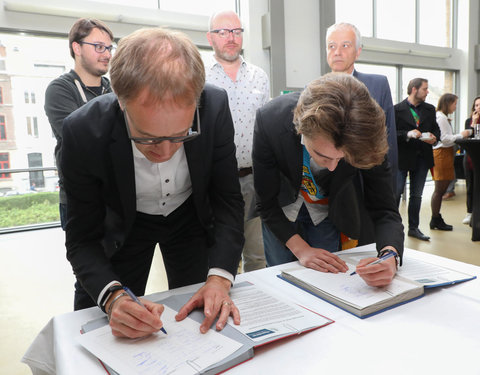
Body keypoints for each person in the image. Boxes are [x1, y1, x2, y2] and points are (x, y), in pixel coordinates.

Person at [61, 27, 244, 338]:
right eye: (146, 138)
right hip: (121, 225)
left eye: (180, 135)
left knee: (198, 317)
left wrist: (219, 277)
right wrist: (113, 297)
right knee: (100, 325)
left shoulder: (214, 107)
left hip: (190, 219)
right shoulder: (82, 131)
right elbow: (81, 238)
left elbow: (227, 200)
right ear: (120, 100)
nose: (164, 152)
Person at [253, 73, 404, 287]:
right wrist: (301, 250)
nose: (332, 167)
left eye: (342, 159)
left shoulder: (365, 133)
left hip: (327, 211)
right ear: (302, 131)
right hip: (281, 208)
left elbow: (385, 210)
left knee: (328, 279)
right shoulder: (271, 120)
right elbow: (265, 203)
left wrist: (390, 256)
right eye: (323, 156)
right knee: (280, 277)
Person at [205, 10, 269, 272]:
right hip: (214, 182)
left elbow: (266, 129)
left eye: (236, 31)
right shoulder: (199, 76)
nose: (230, 38)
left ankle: (258, 308)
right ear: (211, 38)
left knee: (258, 254)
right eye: (223, 32)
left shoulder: (259, 76)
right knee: (221, 256)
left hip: (254, 179)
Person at [44, 18, 114, 229]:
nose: (108, 54)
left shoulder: (115, 90)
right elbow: (78, 140)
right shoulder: (60, 89)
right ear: (77, 47)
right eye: (99, 47)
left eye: (110, 48)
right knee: (88, 260)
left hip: (116, 198)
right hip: (79, 200)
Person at [325, 22, 398, 184]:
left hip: (368, 183)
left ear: (358, 52)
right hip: (326, 185)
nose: (337, 52)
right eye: (331, 46)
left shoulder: (377, 85)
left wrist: (391, 190)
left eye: (345, 45)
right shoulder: (313, 91)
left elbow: (389, 138)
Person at [395, 78, 440, 241]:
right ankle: (393, 227)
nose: (427, 92)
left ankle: (413, 228)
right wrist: (407, 134)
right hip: (402, 158)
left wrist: (434, 138)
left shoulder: (429, 109)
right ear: (414, 89)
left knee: (416, 195)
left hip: (422, 158)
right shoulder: (396, 109)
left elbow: (436, 129)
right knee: (396, 193)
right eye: (425, 89)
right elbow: (391, 134)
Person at [430, 93, 471, 231]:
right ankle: (435, 219)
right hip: (442, 154)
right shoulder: (441, 117)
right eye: (454, 104)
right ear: (448, 103)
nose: (455, 107)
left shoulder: (442, 117)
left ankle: (436, 218)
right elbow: (445, 139)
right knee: (439, 189)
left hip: (445, 154)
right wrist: (462, 135)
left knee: (441, 188)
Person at [462, 96, 480, 224]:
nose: (478, 108)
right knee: (470, 186)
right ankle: (469, 212)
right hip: (470, 158)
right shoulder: (469, 120)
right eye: (477, 105)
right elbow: (469, 137)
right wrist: (474, 123)